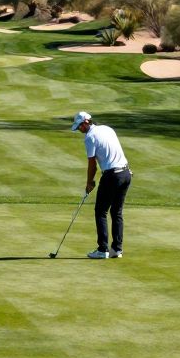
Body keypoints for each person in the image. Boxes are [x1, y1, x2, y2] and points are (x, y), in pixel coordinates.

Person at [71, 111, 131, 259]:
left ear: (86, 122)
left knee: (100, 211)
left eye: (80, 126)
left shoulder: (89, 138)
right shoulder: (107, 128)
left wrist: (89, 182)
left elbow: (92, 165)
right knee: (116, 212)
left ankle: (103, 249)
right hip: (126, 174)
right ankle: (116, 249)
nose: (79, 129)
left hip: (112, 175)